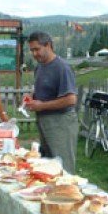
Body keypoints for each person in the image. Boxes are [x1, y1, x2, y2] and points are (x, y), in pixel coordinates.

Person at [25, 31, 78, 174]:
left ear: (48, 45)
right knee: (47, 165)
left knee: (63, 166)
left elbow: (70, 99)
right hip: (44, 121)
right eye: (31, 50)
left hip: (61, 123)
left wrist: (41, 106)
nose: (34, 54)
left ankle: (67, 194)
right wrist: (31, 96)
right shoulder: (40, 67)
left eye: (37, 49)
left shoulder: (62, 68)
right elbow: (42, 90)